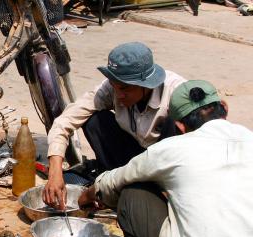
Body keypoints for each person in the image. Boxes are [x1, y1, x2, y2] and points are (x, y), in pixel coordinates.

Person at [78, 80, 253, 237]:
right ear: (223, 107)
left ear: (180, 126)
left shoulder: (174, 148)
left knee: (133, 194)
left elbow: (113, 181)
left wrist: (87, 195)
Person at [43, 42, 186, 210]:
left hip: (166, 166)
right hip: (131, 159)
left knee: (175, 124)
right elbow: (64, 121)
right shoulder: (111, 88)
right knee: (94, 119)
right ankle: (114, 187)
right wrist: (55, 172)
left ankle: (162, 195)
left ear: (146, 84)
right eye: (114, 86)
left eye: (125, 88)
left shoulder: (177, 92)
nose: (118, 94)